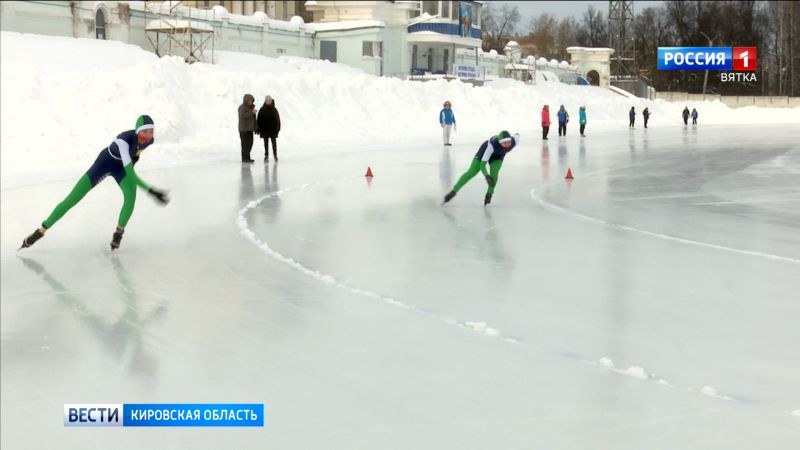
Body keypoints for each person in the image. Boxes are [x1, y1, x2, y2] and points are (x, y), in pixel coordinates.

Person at [19, 115, 170, 251]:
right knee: (72, 199)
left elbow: (135, 155)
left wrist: (135, 160)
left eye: (151, 131)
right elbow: (130, 173)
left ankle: (118, 233)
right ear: (137, 131)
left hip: (121, 169)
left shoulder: (148, 141)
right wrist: (151, 190)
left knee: (131, 197)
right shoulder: (124, 140)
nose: (148, 135)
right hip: (104, 164)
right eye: (145, 132)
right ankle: (41, 230)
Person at [442, 131, 520, 206]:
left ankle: (489, 194)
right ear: (500, 142)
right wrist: (486, 176)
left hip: (497, 157)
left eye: (508, 142)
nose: (507, 145)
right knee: (472, 172)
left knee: (494, 173)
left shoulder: (514, 141)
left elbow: (517, 135)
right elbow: (482, 165)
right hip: (484, 151)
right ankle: (454, 191)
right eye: (504, 143)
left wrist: (490, 188)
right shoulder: (492, 146)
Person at [257, 95, 281, 162]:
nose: (268, 102)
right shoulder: (262, 109)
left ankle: (275, 155)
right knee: (266, 143)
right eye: (267, 101)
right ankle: (266, 155)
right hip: (264, 130)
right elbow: (259, 120)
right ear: (265, 101)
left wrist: (278, 128)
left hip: (273, 130)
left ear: (271, 101)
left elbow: (278, 120)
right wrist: (258, 128)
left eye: (269, 101)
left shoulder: (274, 109)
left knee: (273, 142)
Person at [238, 94, 257, 163]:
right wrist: (252, 113)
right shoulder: (242, 107)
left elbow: (253, 119)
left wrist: (255, 127)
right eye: (249, 100)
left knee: (250, 144)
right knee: (245, 144)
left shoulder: (250, 108)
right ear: (246, 100)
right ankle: (244, 158)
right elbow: (242, 116)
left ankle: (247, 158)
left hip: (249, 129)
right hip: (244, 129)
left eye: (251, 101)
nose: (250, 102)